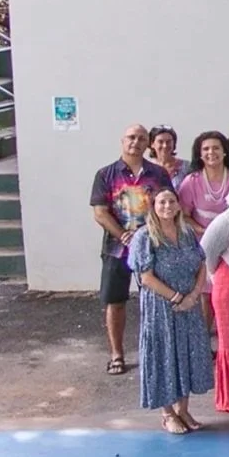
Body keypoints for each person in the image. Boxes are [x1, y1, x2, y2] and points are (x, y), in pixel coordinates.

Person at [91, 125, 175, 377]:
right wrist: (124, 235)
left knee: (156, 301)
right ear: (122, 141)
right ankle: (117, 354)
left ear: (147, 143)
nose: (135, 142)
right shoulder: (105, 174)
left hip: (154, 248)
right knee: (115, 302)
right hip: (117, 249)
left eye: (141, 138)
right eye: (131, 137)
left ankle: (157, 353)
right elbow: (100, 212)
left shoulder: (158, 173)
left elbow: (169, 204)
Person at [129, 188, 212, 434]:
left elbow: (201, 264)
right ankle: (167, 414)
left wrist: (194, 295)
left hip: (189, 305)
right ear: (153, 206)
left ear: (178, 206)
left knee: (187, 353)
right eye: (162, 202)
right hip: (161, 308)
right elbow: (146, 277)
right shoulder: (145, 237)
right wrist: (177, 298)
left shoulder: (186, 234)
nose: (167, 206)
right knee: (164, 354)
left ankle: (183, 409)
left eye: (172, 201)